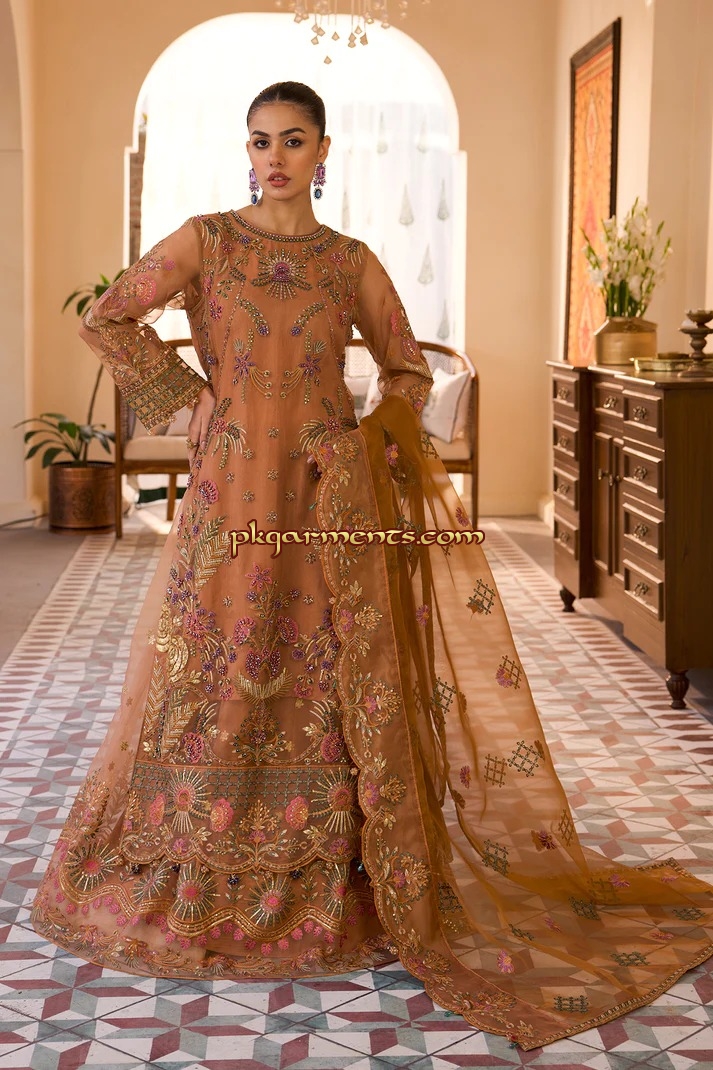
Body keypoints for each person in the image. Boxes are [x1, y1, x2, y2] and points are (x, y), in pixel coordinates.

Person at [31, 82, 713, 1050]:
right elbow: (109, 316)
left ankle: (336, 867)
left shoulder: (349, 260)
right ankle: (198, 850)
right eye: (259, 141)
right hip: (230, 493)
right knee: (215, 656)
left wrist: (362, 439)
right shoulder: (205, 240)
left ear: (323, 151)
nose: (273, 158)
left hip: (325, 493)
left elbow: (406, 370)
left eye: (292, 140)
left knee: (319, 662)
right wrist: (191, 398)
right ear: (246, 152)